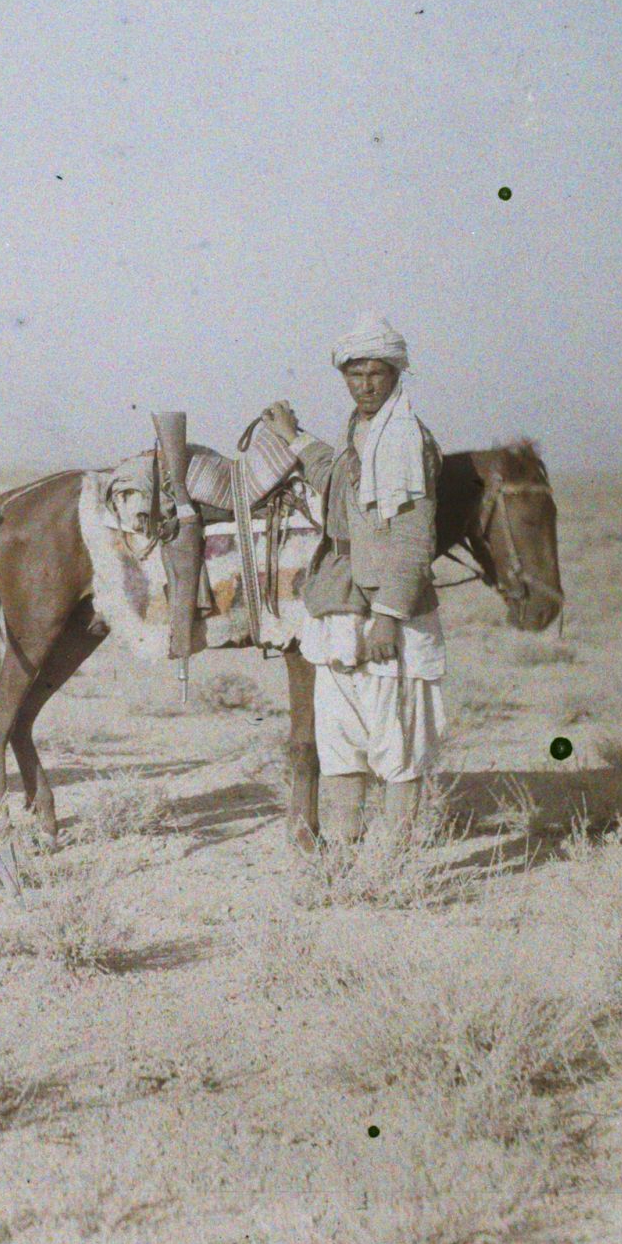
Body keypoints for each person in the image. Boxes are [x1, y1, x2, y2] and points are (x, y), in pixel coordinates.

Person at [262, 312, 445, 851]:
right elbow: (337, 478)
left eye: (376, 375)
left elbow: (414, 538)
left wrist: (389, 616)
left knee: (396, 738)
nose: (364, 386)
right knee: (340, 736)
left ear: (396, 375)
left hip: (384, 610)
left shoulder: (406, 440)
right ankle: (342, 858)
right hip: (339, 602)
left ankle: (393, 861)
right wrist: (294, 438)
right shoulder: (363, 431)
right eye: (354, 375)